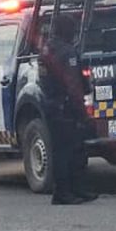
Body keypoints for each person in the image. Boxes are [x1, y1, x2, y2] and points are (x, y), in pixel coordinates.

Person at [38, 13, 97, 205]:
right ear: (67, 31)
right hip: (66, 108)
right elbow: (73, 86)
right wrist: (83, 113)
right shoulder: (67, 52)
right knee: (69, 152)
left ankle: (77, 190)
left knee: (66, 150)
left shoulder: (46, 50)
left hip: (51, 104)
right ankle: (64, 193)